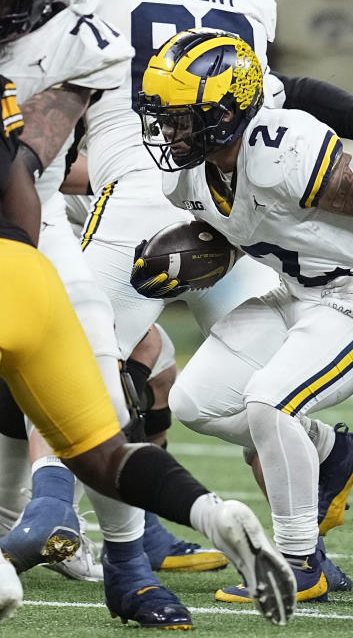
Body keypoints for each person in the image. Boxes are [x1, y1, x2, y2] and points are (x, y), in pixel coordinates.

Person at [135, 27, 353, 604]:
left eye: (184, 118)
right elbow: (251, 227)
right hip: (295, 292)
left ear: (227, 110)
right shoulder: (185, 176)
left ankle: (298, 560)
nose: (170, 132)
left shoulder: (284, 153)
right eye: (164, 118)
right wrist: (199, 254)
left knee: (270, 400)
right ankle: (331, 451)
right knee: (196, 402)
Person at [0, 68, 296, 628]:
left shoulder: (85, 44)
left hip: (40, 254)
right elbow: (30, 172)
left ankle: (53, 522)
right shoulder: (82, 47)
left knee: (141, 373)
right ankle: (209, 515)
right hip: (36, 268)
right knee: (106, 438)